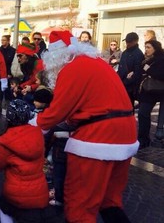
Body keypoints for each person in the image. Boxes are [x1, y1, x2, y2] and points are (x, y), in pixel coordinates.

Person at [30, 31, 138, 223]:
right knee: (110, 200)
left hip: (98, 137)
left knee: (79, 203)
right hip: (126, 134)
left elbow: (58, 109)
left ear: (56, 57)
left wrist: (36, 125)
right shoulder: (95, 63)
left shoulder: (72, 68)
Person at [0, 100, 55, 223]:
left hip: (15, 195)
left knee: (4, 209)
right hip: (39, 192)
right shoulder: (37, 135)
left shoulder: (6, 141)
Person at [137, 40, 164, 149]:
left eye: (148, 47)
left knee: (143, 113)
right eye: (146, 47)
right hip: (146, 90)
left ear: (155, 48)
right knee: (143, 114)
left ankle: (143, 139)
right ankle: (143, 138)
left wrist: (147, 69)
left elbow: (160, 74)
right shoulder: (149, 59)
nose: (146, 49)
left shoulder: (160, 59)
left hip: (154, 91)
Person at [117, 32, 144, 108]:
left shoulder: (138, 54)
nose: (127, 43)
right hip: (121, 82)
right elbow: (121, 66)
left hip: (130, 85)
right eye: (127, 41)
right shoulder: (125, 52)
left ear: (135, 41)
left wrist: (128, 80)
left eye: (130, 41)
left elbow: (138, 71)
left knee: (128, 106)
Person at [0, 35, 16, 113]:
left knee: (8, 91)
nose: (2, 41)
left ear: (8, 41)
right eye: (2, 40)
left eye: (4, 40)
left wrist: (10, 73)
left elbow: (14, 63)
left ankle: (8, 108)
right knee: (0, 91)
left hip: (8, 73)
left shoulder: (13, 50)